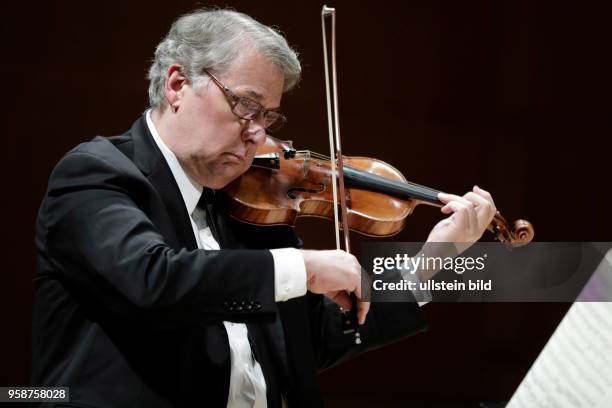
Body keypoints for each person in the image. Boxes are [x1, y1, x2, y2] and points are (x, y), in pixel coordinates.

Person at [33, 8, 497, 408]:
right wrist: (303, 267)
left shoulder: (250, 206)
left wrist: (432, 263)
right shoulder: (96, 175)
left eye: (268, 115)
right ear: (177, 84)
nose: (257, 133)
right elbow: (153, 279)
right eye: (244, 106)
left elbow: (308, 342)